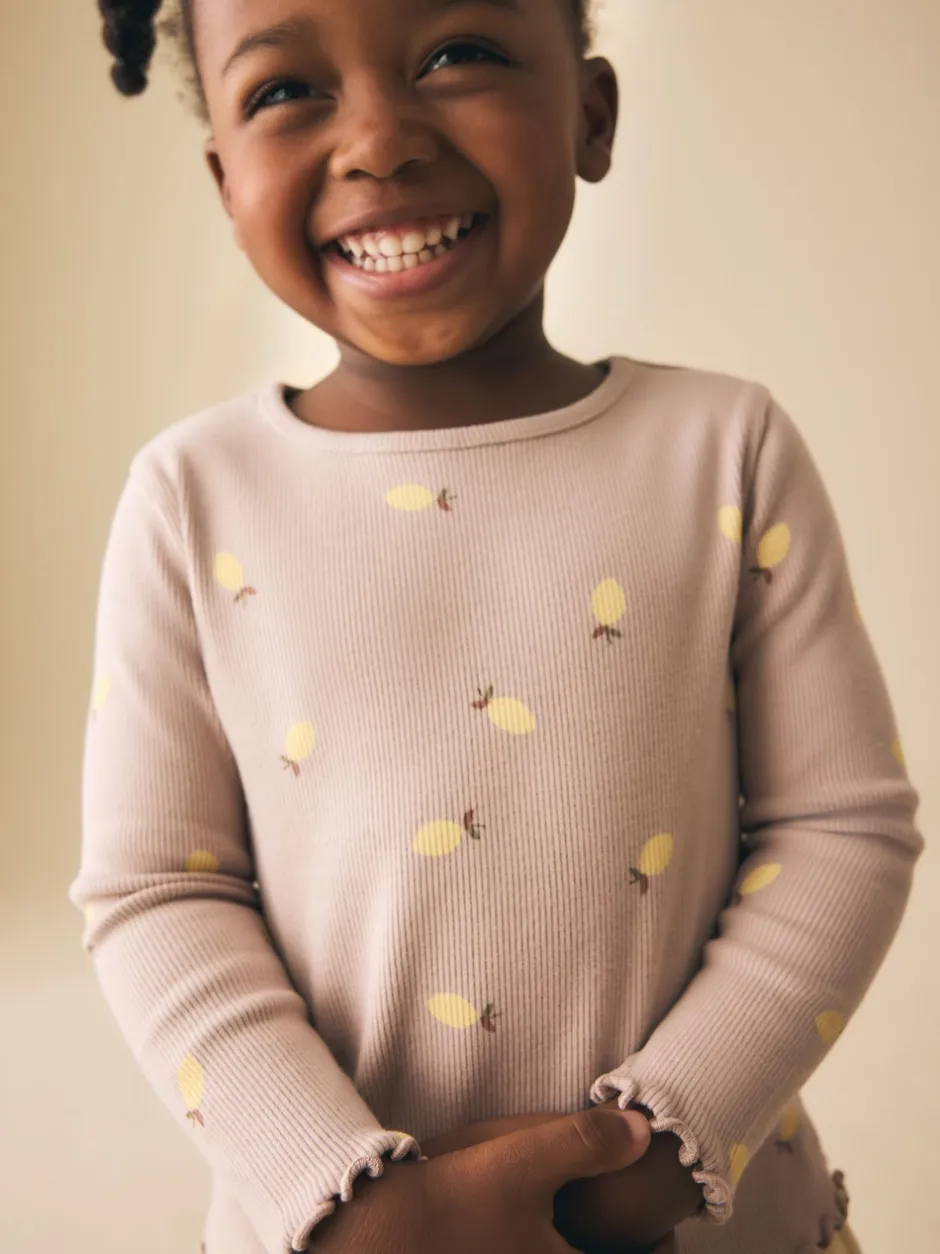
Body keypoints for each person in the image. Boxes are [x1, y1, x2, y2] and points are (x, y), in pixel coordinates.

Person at [73, 1, 921, 1252]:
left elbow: (840, 830)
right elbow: (157, 891)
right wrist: (353, 1204)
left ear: (591, 115)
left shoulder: (723, 451)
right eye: (285, 91)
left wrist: (649, 1156)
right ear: (224, 184)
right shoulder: (189, 498)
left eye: (457, 53)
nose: (379, 142)